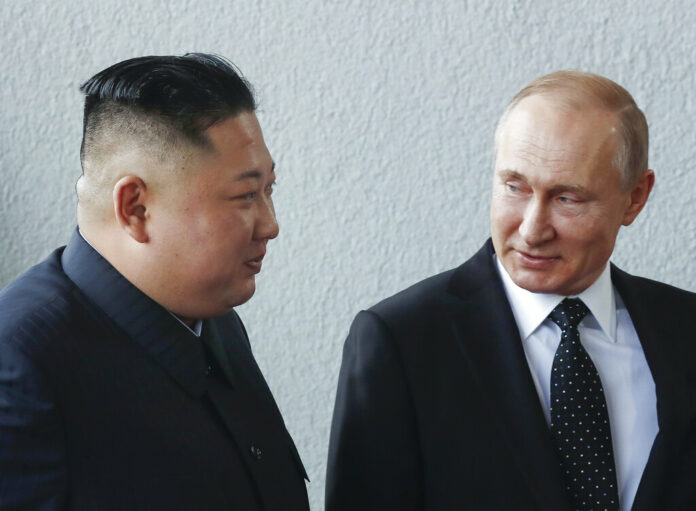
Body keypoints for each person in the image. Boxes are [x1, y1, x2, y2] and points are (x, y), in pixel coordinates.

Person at [326, 70, 696, 511]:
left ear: (635, 197)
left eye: (567, 198)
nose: (532, 229)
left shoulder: (685, 331)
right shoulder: (401, 342)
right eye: (514, 187)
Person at [0, 53, 309, 510]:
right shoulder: (20, 366)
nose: (270, 225)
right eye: (245, 195)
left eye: (269, 190)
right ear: (135, 208)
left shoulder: (212, 318)